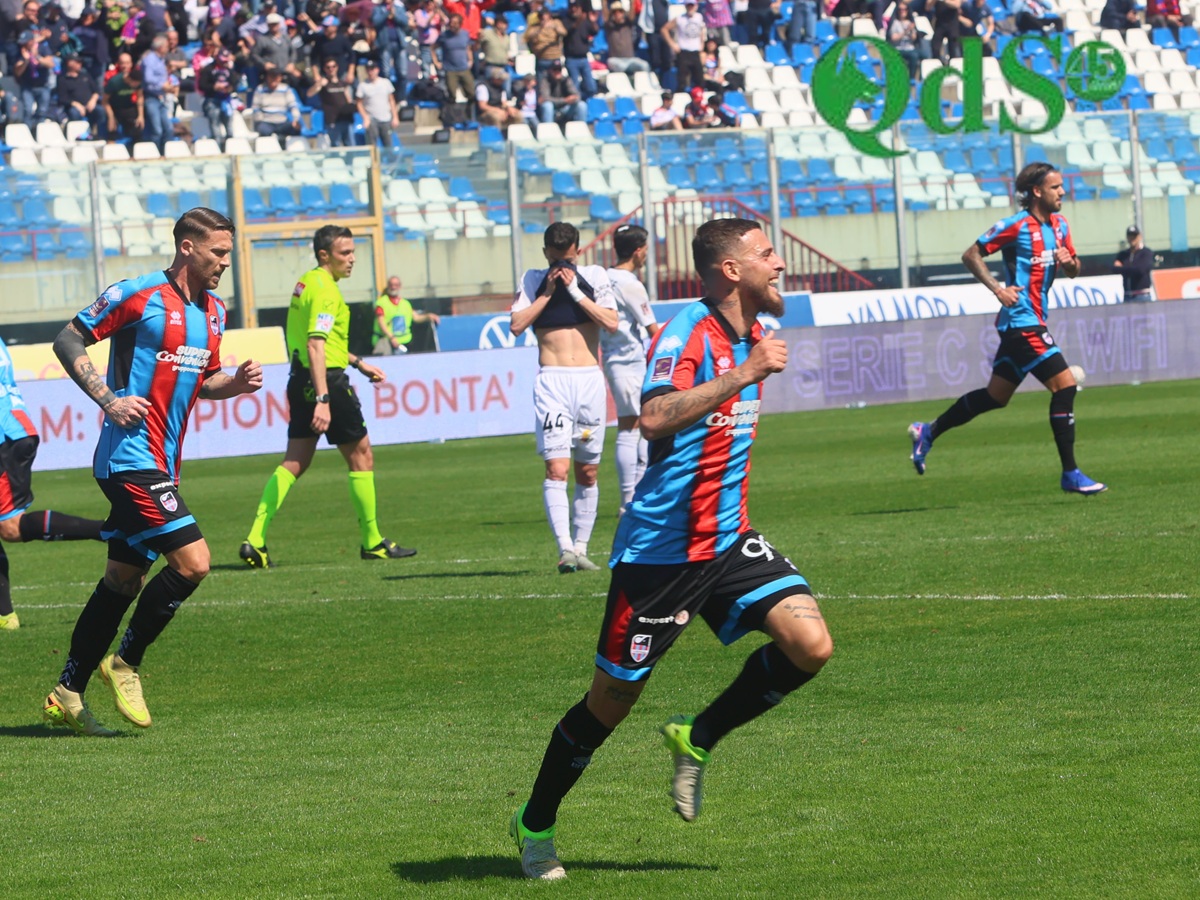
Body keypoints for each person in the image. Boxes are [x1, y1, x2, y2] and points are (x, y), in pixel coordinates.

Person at [509, 218, 833, 880]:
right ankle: (535, 822)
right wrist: (744, 374)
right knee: (610, 703)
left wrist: (747, 363)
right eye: (766, 254)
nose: (779, 264)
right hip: (662, 552)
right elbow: (652, 418)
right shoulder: (690, 333)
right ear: (732, 270)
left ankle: (699, 736)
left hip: (728, 538)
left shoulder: (752, 335)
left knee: (811, 645)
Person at [40, 208, 264, 736]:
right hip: (128, 460)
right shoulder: (138, 294)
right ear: (188, 247)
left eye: (228, 253)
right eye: (218, 253)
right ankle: (125, 663)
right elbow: (68, 340)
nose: (225, 263)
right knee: (194, 563)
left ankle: (66, 692)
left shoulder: (213, 311)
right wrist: (109, 399)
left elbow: (203, 378)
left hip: (164, 463)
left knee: (122, 579)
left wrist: (232, 384)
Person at [907, 162, 1106, 495]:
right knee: (1065, 386)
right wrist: (998, 288)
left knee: (995, 397)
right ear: (1037, 192)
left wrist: (1070, 263)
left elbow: (1073, 269)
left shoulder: (1060, 225)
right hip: (1021, 321)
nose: (1063, 192)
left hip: (1032, 320)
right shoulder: (1016, 226)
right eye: (1056, 187)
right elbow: (971, 255)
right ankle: (1070, 473)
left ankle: (928, 431)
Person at [240, 225, 417, 569]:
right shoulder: (326, 292)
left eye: (353, 252)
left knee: (295, 461)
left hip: (300, 378)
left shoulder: (307, 283)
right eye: (344, 253)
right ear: (325, 255)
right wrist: (323, 398)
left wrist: (359, 362)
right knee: (361, 456)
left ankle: (255, 539)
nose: (352, 259)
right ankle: (372, 542)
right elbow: (316, 345)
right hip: (327, 383)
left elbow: (319, 339)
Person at [509, 221, 618, 573]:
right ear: (545, 254)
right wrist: (547, 293)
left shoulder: (595, 276)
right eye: (557, 261)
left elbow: (611, 322)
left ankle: (583, 547)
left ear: (578, 251)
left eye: (568, 261)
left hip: (588, 381)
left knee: (587, 471)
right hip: (552, 382)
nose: (563, 268)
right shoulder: (532, 279)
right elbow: (516, 324)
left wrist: (574, 292)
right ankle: (565, 549)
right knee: (557, 468)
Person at [0, 336, 107, 633]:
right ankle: (5, 616)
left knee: (10, 527)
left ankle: (107, 530)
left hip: (4, 436)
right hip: (14, 426)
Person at [601, 225, 660, 512]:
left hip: (614, 359)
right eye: (646, 249)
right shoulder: (630, 283)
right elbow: (652, 328)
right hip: (629, 361)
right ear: (638, 251)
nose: (647, 254)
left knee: (636, 424)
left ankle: (637, 493)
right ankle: (628, 499)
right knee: (631, 425)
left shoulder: (603, 278)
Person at [372, 276, 441, 355]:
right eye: (391, 284)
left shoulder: (405, 303)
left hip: (404, 343)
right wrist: (391, 337)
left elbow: (416, 317)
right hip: (385, 342)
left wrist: (429, 316)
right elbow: (381, 323)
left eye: (396, 285)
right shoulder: (382, 303)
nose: (393, 287)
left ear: (400, 287)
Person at [307, 55, 357, 147]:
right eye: (328, 67)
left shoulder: (342, 83)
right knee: (335, 146)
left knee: (351, 145)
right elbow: (309, 94)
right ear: (325, 69)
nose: (331, 69)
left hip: (346, 118)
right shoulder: (324, 83)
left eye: (333, 66)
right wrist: (319, 84)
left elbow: (348, 99)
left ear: (337, 67)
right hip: (332, 120)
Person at [140, 34, 175, 152]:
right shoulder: (149, 59)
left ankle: (166, 152)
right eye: (166, 46)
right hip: (152, 98)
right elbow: (148, 78)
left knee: (168, 128)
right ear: (160, 47)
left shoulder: (162, 59)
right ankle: (155, 153)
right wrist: (162, 85)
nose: (168, 48)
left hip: (162, 97)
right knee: (157, 130)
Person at [356, 59, 399, 148]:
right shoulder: (363, 86)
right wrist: (365, 118)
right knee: (372, 146)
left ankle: (390, 161)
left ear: (377, 70)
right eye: (368, 69)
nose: (370, 72)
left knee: (388, 145)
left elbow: (391, 100)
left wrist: (395, 116)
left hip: (385, 118)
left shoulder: (385, 83)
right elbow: (359, 103)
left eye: (372, 69)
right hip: (372, 119)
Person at [665, 0, 706, 93]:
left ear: (696, 6)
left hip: (695, 51)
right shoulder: (680, 18)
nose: (690, 8)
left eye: (692, 6)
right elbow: (664, 29)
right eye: (688, 6)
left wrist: (702, 44)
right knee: (682, 80)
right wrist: (672, 44)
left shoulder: (699, 17)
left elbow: (701, 30)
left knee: (699, 80)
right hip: (684, 52)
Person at [56, 54, 104, 134]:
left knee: (100, 111)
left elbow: (96, 91)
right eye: (77, 62)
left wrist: (93, 101)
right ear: (69, 63)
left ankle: (99, 134)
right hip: (74, 107)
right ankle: (79, 134)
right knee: (74, 112)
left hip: (90, 105)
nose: (80, 64)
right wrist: (76, 104)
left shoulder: (85, 76)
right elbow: (62, 98)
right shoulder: (63, 80)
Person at [251, 63, 301, 136]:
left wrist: (295, 119)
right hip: (266, 122)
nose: (274, 79)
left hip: (282, 121)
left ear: (280, 78)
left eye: (276, 76)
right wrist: (260, 119)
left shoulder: (286, 89)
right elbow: (255, 108)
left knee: (296, 129)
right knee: (263, 131)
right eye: (271, 76)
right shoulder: (260, 89)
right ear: (267, 77)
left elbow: (293, 106)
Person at [562, 2, 598, 100]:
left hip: (584, 59)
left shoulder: (585, 21)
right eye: (572, 7)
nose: (574, 9)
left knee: (591, 87)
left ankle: (587, 103)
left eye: (576, 7)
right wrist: (579, 20)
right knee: (574, 88)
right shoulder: (566, 20)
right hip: (571, 59)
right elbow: (567, 31)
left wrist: (593, 21)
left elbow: (594, 31)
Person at [603, 3, 650, 75]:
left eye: (620, 11)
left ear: (623, 13)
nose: (618, 14)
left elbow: (632, 12)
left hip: (630, 59)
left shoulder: (628, 24)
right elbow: (605, 15)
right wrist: (604, 2)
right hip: (615, 60)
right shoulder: (609, 26)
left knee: (645, 66)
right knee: (620, 66)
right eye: (615, 12)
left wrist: (632, 2)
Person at [537, 60, 586, 125]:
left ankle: (581, 129)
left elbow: (576, 95)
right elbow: (545, 98)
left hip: (565, 108)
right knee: (547, 105)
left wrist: (573, 98)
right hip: (553, 108)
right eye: (555, 70)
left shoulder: (566, 80)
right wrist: (565, 100)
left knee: (581, 105)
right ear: (550, 70)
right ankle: (548, 130)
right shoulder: (545, 81)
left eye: (559, 69)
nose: (557, 72)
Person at [1113, 225, 1154, 303]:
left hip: (1142, 295)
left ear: (1139, 237)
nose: (1132, 239)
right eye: (1130, 236)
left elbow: (1140, 270)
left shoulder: (1146, 253)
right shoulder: (1124, 254)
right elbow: (1115, 269)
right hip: (1128, 296)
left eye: (1134, 236)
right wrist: (1130, 269)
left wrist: (1124, 269)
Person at [888, 2, 922, 80]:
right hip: (898, 48)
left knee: (914, 56)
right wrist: (905, 31)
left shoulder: (910, 23)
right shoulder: (895, 23)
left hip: (909, 48)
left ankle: (911, 78)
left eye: (904, 9)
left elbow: (914, 38)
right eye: (900, 10)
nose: (902, 11)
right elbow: (893, 37)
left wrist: (912, 30)